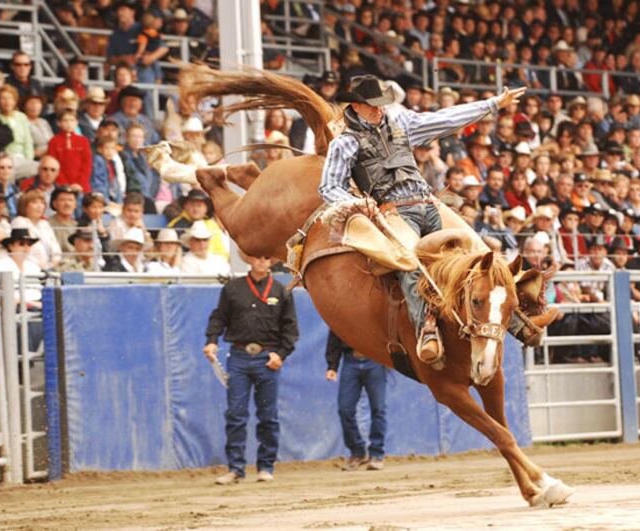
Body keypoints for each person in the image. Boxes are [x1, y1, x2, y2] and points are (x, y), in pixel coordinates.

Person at [319, 74, 525, 364]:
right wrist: (355, 203)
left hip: (429, 204)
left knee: (471, 251)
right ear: (356, 106)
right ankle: (426, 330)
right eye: (373, 105)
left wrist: (493, 104)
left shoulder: (401, 123)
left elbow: (445, 119)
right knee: (409, 261)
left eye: (381, 104)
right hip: (393, 211)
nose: (379, 110)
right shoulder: (344, 143)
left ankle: (511, 315)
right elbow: (329, 187)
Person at [204, 255, 299, 484]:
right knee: (235, 414)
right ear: (249, 260)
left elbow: (290, 327)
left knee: (268, 415)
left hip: (267, 357)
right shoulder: (233, 288)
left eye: (266, 258)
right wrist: (212, 341)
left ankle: (266, 466)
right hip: (239, 355)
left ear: (271, 262)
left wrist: (281, 354)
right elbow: (219, 317)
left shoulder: (281, 290)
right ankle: (235, 467)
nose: (261, 261)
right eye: (257, 257)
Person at [325, 329, 387, 471]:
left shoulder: (375, 314)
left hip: (375, 361)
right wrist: (332, 366)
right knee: (345, 409)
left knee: (378, 409)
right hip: (350, 361)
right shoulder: (342, 316)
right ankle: (358, 452)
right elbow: (335, 333)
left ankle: (376, 454)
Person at [47, 109, 93, 193]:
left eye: (72, 120)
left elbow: (87, 164)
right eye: (65, 120)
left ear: (76, 122)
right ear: (59, 123)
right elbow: (53, 164)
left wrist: (80, 183)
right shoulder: (54, 141)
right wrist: (65, 184)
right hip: (61, 185)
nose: (69, 124)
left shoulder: (83, 141)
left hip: (82, 186)